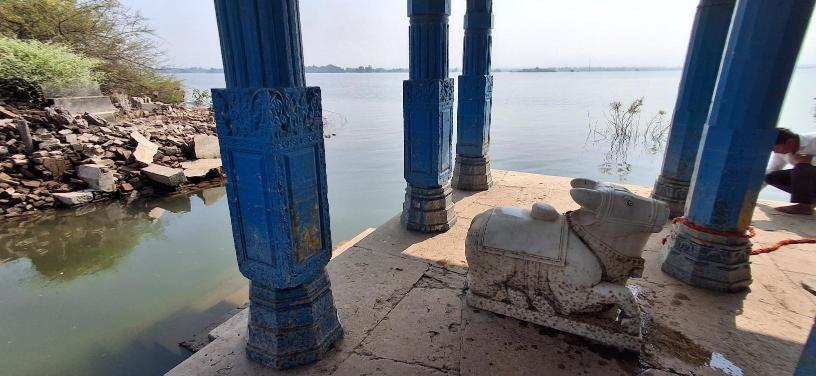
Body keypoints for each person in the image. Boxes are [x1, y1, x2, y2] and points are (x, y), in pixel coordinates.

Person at [765, 128, 816, 215]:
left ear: (790, 142)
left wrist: (811, 160)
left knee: (802, 167)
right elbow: (772, 171)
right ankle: (812, 200)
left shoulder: (813, 139)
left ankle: (804, 207)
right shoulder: (782, 153)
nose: (774, 151)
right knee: (771, 177)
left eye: (776, 147)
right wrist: (751, 196)